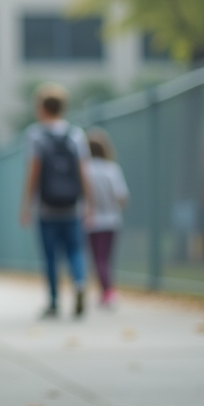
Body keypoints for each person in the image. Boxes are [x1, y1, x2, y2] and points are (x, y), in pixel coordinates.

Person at [20, 83, 92, 318]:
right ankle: (79, 282)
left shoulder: (36, 135)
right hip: (72, 205)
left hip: (46, 206)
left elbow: (33, 173)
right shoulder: (76, 134)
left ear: (42, 108)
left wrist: (26, 205)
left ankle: (53, 301)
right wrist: (89, 202)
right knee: (75, 249)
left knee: (50, 255)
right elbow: (83, 172)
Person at [84, 129, 129, 309]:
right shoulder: (112, 169)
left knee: (98, 259)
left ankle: (107, 291)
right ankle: (107, 291)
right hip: (112, 221)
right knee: (107, 258)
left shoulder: (85, 169)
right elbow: (122, 196)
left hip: (92, 222)